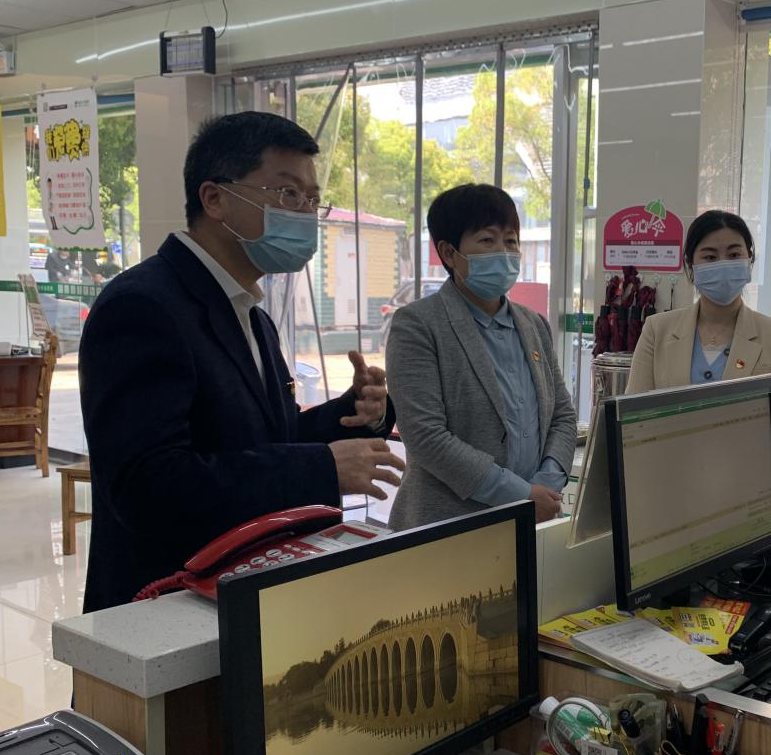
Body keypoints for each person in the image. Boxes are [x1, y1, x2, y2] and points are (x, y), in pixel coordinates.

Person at [79, 112, 403, 613]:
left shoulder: (250, 312)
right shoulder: (143, 306)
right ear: (214, 198)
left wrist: (351, 413)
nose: (305, 214)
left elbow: (264, 439)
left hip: (245, 588)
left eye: (312, 199)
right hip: (166, 604)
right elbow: (149, 486)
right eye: (288, 193)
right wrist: (321, 468)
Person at [387, 184, 577, 530]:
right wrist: (520, 495)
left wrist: (546, 485)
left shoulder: (534, 324)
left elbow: (562, 414)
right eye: (488, 240)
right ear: (449, 253)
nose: (504, 252)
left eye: (511, 241)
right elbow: (426, 436)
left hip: (530, 521)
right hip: (447, 527)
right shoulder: (417, 325)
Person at [626, 210, 771, 414]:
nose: (723, 264)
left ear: (750, 259)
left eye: (734, 255)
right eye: (710, 257)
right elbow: (633, 414)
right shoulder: (657, 331)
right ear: (690, 265)